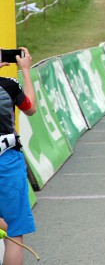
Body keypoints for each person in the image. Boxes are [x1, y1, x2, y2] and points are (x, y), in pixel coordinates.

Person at [1, 47, 37, 265]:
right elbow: (30, 108)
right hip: (6, 159)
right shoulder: (8, 86)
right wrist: (25, 70)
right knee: (13, 231)